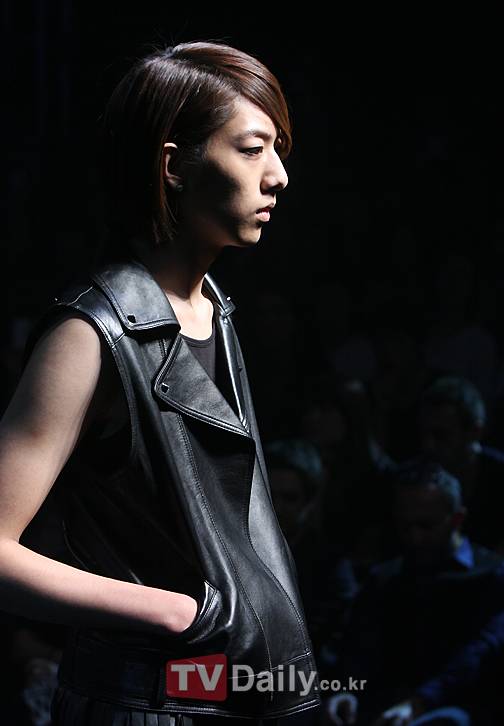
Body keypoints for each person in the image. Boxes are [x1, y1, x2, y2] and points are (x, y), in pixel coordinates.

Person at [0, 42, 320, 725]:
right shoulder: (90, 335)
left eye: (278, 150)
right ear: (173, 166)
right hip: (143, 701)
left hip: (218, 693)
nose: (279, 176)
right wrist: (176, 612)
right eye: (253, 149)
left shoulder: (211, 308)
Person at [325, 463, 504, 726]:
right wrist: (346, 690)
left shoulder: (492, 576)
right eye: (405, 526)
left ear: (457, 519)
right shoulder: (386, 578)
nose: (415, 538)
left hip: (457, 705)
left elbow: (478, 654)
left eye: (426, 525)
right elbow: (362, 648)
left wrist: (420, 702)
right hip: (387, 702)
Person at [418, 375, 504, 552]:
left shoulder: (500, 476)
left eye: (442, 435)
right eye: (424, 433)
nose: (428, 445)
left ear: (475, 432)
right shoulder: (412, 479)